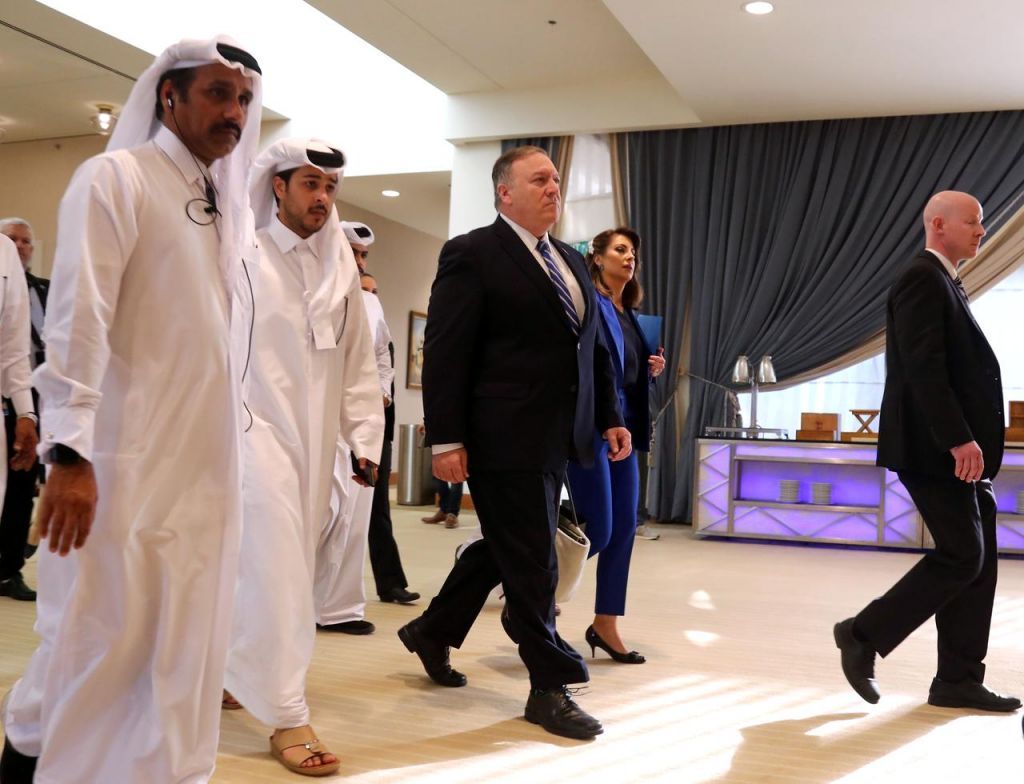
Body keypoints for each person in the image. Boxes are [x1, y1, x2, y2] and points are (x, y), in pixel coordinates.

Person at [0, 36, 264, 784]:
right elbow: (77, 322)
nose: (234, 112)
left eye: (244, 99)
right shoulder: (115, 178)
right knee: (95, 636)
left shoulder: (225, 210)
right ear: (168, 95)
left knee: (180, 641)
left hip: (203, 472)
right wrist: (70, 455)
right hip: (122, 464)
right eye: (218, 93)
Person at [397, 145, 630, 741]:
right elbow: (446, 350)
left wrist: (610, 414)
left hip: (561, 434)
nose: (554, 188)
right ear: (505, 192)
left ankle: (431, 630)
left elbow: (592, 348)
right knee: (533, 558)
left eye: (556, 179)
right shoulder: (473, 252)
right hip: (500, 433)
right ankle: (550, 686)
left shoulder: (571, 260)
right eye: (539, 179)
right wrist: (445, 438)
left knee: (509, 546)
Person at [223, 138, 383, 777]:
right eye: (310, 183)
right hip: (249, 433)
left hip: (315, 446)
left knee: (269, 564)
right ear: (278, 186)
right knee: (280, 569)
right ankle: (288, 714)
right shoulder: (243, 256)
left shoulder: (339, 270)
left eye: (330, 187)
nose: (322, 197)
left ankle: (233, 671)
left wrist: (365, 438)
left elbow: (357, 361)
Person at [834, 190, 1019, 713]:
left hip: (956, 451)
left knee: (979, 562)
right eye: (974, 222)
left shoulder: (944, 279)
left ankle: (958, 679)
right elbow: (923, 368)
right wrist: (958, 438)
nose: (982, 230)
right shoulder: (922, 278)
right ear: (939, 225)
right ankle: (862, 634)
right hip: (935, 449)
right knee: (963, 555)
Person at [566, 228, 665, 665]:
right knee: (599, 529)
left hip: (626, 427)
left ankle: (605, 624)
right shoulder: (588, 301)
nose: (630, 258)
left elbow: (623, 372)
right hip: (590, 426)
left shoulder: (633, 315)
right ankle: (534, 594)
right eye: (620, 250)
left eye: (633, 253)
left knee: (624, 528)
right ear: (598, 257)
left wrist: (649, 370)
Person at [358, 270, 420, 604]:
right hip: (342, 430)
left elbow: (388, 389)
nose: (371, 296)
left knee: (378, 510)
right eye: (364, 290)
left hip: (376, 432)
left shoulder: (384, 340)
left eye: (375, 291)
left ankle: (391, 583)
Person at [0, 218, 45, 600]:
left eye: (25, 240)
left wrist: (27, 414)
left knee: (18, 495)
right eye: (12, 238)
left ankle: (8, 569)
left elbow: (14, 351)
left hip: (18, 402)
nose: (19, 245)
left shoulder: (6, 259)